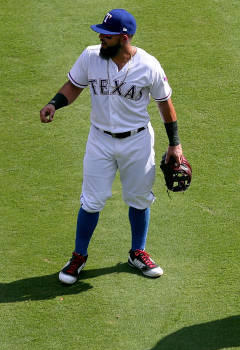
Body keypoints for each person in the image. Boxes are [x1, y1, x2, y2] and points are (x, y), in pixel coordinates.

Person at [39, 9, 184, 284]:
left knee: (139, 199)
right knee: (91, 201)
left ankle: (137, 252)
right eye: (101, 33)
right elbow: (74, 85)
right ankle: (78, 257)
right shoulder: (90, 56)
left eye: (106, 35)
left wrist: (175, 144)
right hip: (100, 140)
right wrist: (53, 103)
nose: (100, 37)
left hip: (138, 141)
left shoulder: (149, 65)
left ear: (124, 37)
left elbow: (165, 103)